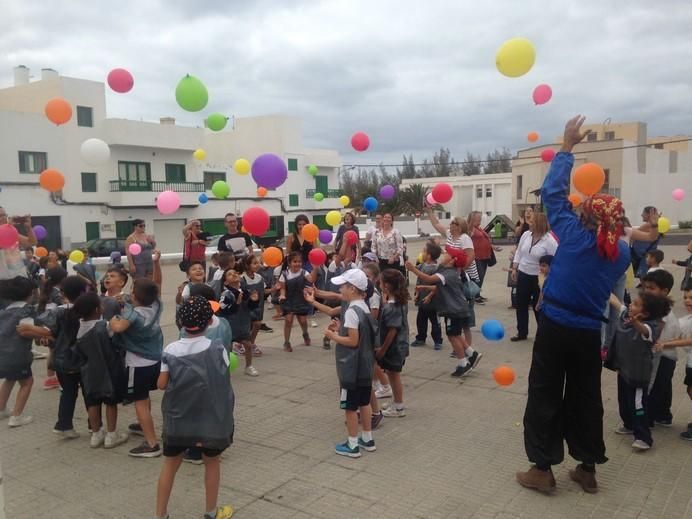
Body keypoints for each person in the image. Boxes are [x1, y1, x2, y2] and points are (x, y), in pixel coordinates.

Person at [516, 115, 630, 495]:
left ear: (589, 216)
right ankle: (587, 469)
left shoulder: (574, 235)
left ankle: (542, 470)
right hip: (587, 333)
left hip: (555, 327)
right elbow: (618, 239)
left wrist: (566, 148)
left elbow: (552, 194)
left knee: (545, 391)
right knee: (586, 397)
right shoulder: (622, 254)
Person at [155, 296, 235, 519]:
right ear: (210, 322)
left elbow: (161, 384)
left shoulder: (170, 350)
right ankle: (211, 512)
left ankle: (160, 514)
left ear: (180, 322)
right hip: (210, 420)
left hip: (178, 419)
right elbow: (223, 375)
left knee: (170, 464)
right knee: (211, 463)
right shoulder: (218, 348)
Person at [110, 252, 164, 458]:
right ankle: (144, 426)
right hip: (156, 360)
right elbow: (157, 282)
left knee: (139, 401)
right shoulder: (156, 305)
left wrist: (114, 317)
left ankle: (151, 444)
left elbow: (119, 327)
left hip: (138, 364)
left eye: (132, 291)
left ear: (136, 296)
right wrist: (156, 262)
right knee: (145, 397)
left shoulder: (133, 315)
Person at [607, 291, 672, 450]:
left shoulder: (651, 327)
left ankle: (643, 437)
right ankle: (629, 425)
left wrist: (636, 323)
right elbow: (616, 302)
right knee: (624, 400)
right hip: (623, 369)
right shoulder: (626, 315)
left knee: (638, 405)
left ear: (646, 313)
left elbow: (644, 331)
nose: (630, 305)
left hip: (638, 375)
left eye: (635, 304)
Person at [324, 269, 377, 458]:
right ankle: (367, 439)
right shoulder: (364, 306)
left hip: (351, 368)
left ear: (353, 289)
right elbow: (361, 335)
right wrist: (342, 330)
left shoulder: (352, 311)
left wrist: (333, 335)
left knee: (350, 407)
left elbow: (353, 341)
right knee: (364, 402)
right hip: (365, 365)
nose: (340, 289)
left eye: (344, 286)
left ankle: (352, 444)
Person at [405, 249, 481, 378]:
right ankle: (471, 353)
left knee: (452, 336)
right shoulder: (449, 272)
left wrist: (413, 269)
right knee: (455, 334)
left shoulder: (447, 274)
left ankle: (463, 364)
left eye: (448, 254)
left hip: (453, 310)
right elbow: (438, 287)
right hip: (457, 308)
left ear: (452, 261)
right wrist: (424, 289)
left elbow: (428, 279)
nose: (444, 254)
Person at [72, 292, 129, 449]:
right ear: (97, 309)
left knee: (92, 402)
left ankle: (96, 434)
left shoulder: (77, 326)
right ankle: (111, 434)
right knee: (111, 402)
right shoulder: (105, 326)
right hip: (109, 370)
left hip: (88, 372)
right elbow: (118, 334)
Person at [0, 276, 53, 427]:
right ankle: (16, 416)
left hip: (3, 354)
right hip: (18, 354)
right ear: (31, 293)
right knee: (27, 382)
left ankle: (1, 408)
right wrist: (46, 334)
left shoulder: (4, 310)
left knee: (9, 379)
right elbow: (25, 331)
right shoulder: (26, 311)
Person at [44, 275, 91, 439]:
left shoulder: (57, 311)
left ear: (63, 293)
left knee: (68, 392)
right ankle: (94, 425)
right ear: (82, 292)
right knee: (89, 392)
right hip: (82, 359)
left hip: (62, 360)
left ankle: (64, 425)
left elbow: (50, 332)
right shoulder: (86, 310)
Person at [509, 213, 558, 342]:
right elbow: (519, 252)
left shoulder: (549, 240)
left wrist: (549, 276)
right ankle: (522, 332)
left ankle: (542, 334)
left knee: (539, 306)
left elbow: (555, 260)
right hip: (524, 273)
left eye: (531, 221)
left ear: (539, 224)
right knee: (521, 304)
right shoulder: (526, 235)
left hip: (539, 277)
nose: (529, 223)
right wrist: (514, 268)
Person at [641, 270, 680, 429]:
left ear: (664, 291)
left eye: (651, 288)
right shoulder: (664, 305)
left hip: (663, 355)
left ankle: (649, 419)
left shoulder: (661, 310)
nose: (646, 291)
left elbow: (655, 333)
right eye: (645, 287)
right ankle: (663, 416)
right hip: (667, 354)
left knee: (655, 387)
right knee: (663, 386)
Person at [654, 287, 692, 441]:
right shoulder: (687, 319)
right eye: (685, 297)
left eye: (691, 298)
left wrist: (665, 344)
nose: (687, 301)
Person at [376, 269, 409, 418]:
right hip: (399, 345)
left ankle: (399, 406)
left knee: (394, 376)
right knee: (392, 374)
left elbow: (392, 330)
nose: (379, 284)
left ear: (387, 286)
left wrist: (383, 349)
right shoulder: (399, 301)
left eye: (381, 282)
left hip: (394, 347)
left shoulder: (392, 306)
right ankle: (397, 403)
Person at [219, 267, 260, 376]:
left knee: (248, 344)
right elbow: (222, 309)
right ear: (226, 282)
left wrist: (254, 300)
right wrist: (236, 303)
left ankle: (248, 366)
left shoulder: (245, 291)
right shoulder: (226, 294)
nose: (234, 274)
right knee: (228, 347)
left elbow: (250, 307)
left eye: (235, 273)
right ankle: (225, 368)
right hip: (229, 325)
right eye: (230, 274)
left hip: (243, 324)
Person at [278, 251, 317, 351]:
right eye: (295, 261)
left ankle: (305, 333)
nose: (297, 264)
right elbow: (282, 288)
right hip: (288, 300)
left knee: (303, 321)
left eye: (299, 262)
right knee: (288, 320)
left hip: (301, 300)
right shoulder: (284, 274)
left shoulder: (304, 272)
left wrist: (315, 267)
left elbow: (311, 279)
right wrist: (282, 295)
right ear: (289, 263)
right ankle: (286, 342)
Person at [411, 242, 442, 350]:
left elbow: (437, 286)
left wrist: (429, 296)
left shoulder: (437, 268)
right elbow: (419, 280)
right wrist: (417, 294)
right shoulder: (422, 266)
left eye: (424, 251)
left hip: (433, 302)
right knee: (421, 320)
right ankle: (421, 338)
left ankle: (438, 340)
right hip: (422, 301)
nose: (421, 253)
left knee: (435, 322)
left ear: (429, 255)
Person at [0, 208, 36, 281]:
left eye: (5, 215)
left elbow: (32, 242)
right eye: (0, 216)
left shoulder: (11, 232)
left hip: (16, 276)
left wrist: (28, 228)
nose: (4, 217)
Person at [468, 210, 494, 304]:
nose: (480, 218)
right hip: (477, 257)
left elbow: (484, 239)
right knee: (478, 277)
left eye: (480, 217)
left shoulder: (479, 228)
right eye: (478, 217)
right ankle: (474, 296)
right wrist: (471, 220)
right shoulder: (471, 228)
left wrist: (493, 247)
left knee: (481, 277)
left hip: (484, 256)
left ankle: (477, 294)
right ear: (473, 218)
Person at [242, 255, 265, 357]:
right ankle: (246, 344)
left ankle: (251, 343)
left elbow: (264, 291)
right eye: (254, 263)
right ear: (247, 265)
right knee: (248, 327)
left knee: (257, 324)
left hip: (258, 307)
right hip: (246, 308)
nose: (257, 265)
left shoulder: (259, 277)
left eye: (258, 263)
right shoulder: (242, 279)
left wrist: (274, 289)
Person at [631, 206, 660, 279]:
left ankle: (645, 288)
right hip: (649, 253)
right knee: (646, 273)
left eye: (643, 213)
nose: (641, 215)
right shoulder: (655, 225)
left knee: (644, 274)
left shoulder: (648, 225)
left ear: (649, 214)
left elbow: (633, 234)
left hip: (644, 255)